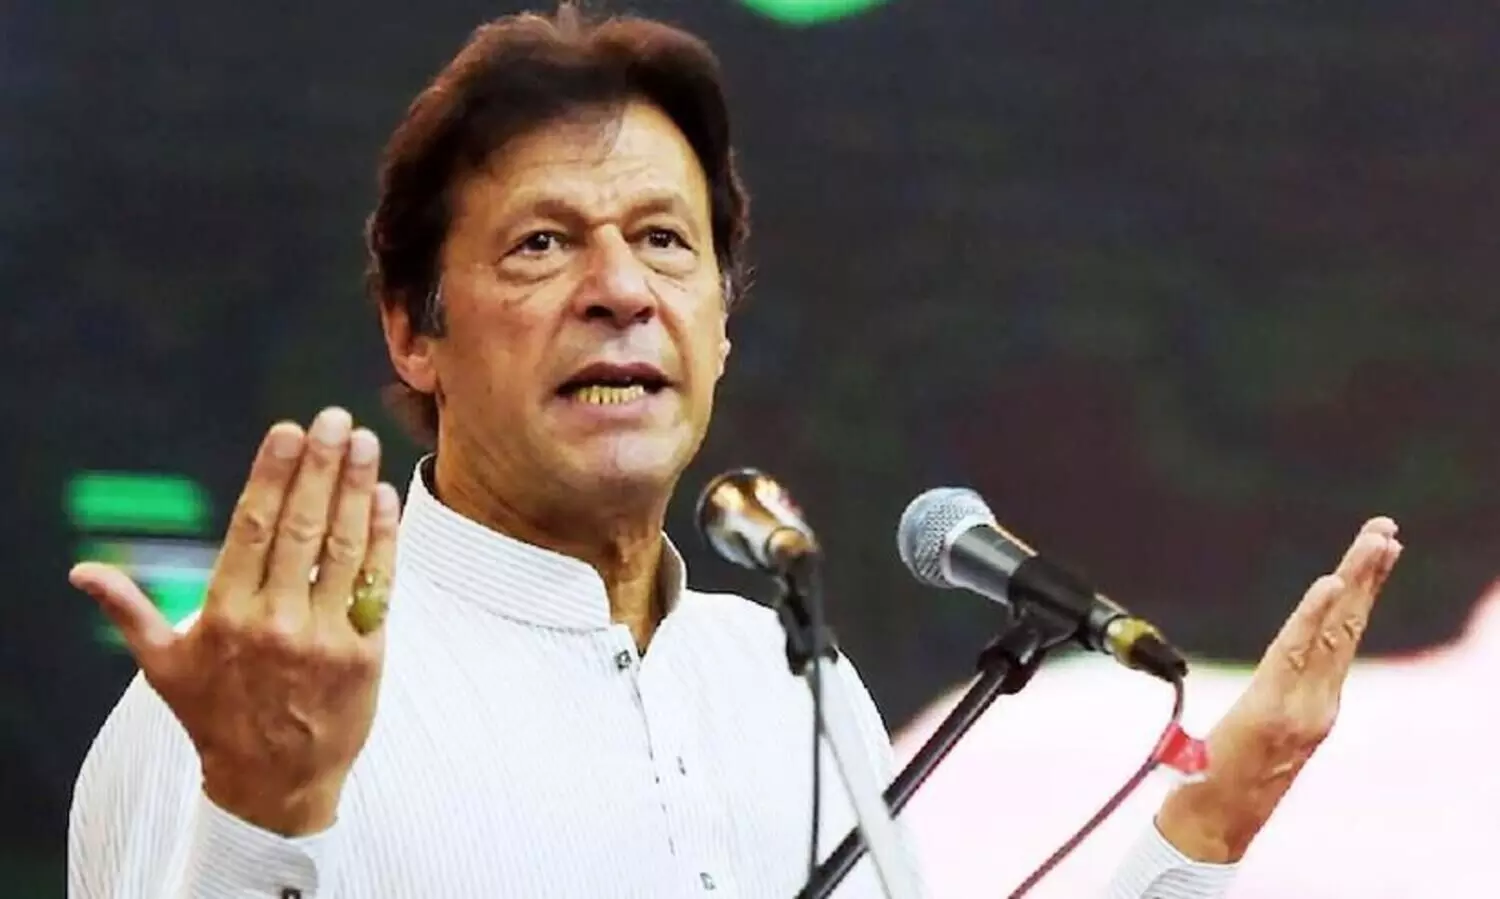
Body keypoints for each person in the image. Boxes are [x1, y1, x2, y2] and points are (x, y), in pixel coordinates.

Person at [66, 6, 1404, 898]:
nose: (619, 289)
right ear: (416, 330)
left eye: (664, 241)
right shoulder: (249, 709)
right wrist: (261, 814)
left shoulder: (784, 682)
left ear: (719, 324)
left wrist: (1205, 829)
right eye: (543, 243)